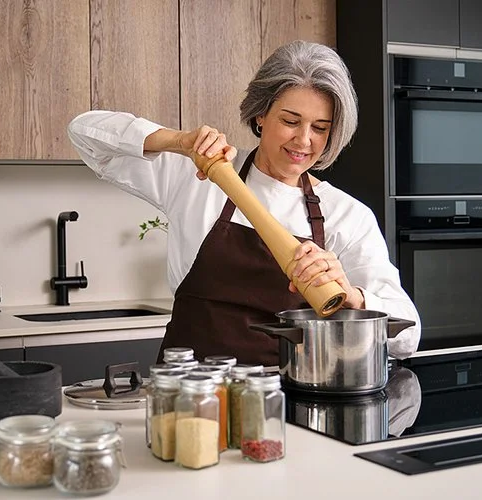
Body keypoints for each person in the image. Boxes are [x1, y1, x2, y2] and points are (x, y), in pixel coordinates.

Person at [68, 40, 420, 366]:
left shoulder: (346, 215)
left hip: (283, 407)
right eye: (290, 121)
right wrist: (180, 141)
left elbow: (408, 336)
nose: (304, 140)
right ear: (260, 115)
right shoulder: (200, 177)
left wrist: (353, 296)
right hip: (190, 397)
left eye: (320, 128)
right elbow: (85, 133)